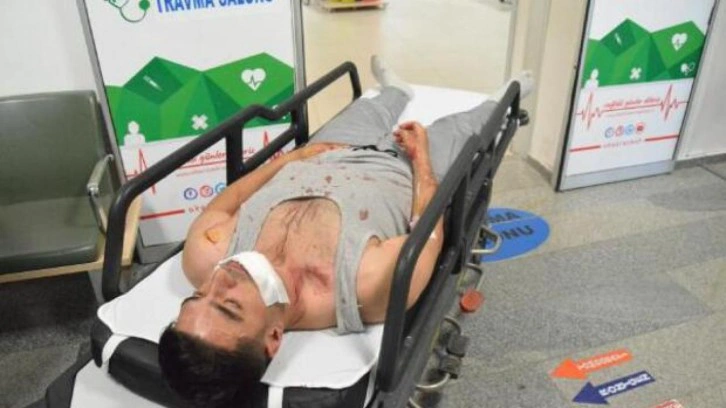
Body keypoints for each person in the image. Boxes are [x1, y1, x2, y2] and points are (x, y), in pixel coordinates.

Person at [158, 56, 532, 407]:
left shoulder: (205, 256)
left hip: (326, 151)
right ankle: (499, 100)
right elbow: (429, 230)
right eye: (230, 305)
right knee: (463, 129)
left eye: (197, 296)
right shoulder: (363, 288)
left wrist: (295, 157)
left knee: (367, 109)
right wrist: (421, 161)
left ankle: (396, 91)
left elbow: (227, 200)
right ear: (273, 337)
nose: (219, 280)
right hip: (401, 168)